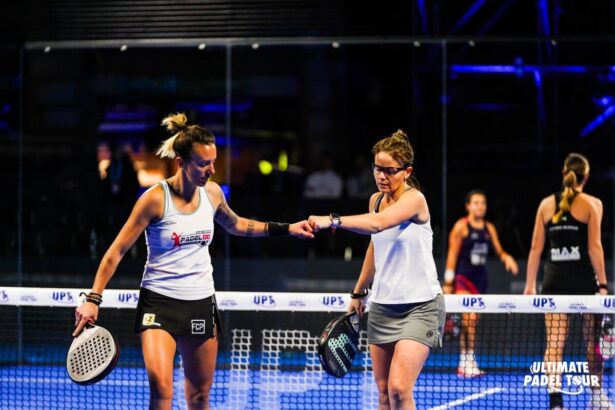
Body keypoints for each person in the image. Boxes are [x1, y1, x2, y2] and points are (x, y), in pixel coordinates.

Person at [73, 113, 314, 410]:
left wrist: (287, 228)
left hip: (200, 302)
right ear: (181, 163)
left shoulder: (212, 194)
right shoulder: (154, 200)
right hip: (158, 302)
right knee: (161, 388)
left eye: (213, 162)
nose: (211, 170)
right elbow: (116, 251)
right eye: (203, 164)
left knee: (199, 397)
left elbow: (238, 225)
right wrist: (93, 299)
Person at [308, 130, 444, 410]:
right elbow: (375, 246)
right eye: (377, 168)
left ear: (407, 172)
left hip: (421, 307)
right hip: (382, 307)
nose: (382, 176)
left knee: (399, 390)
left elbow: (378, 224)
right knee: (383, 394)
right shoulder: (376, 200)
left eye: (390, 170)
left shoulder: (415, 200)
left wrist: (332, 220)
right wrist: (358, 293)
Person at [523, 153, 613, 410]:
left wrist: (530, 285)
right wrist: (603, 286)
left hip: (554, 283)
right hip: (585, 284)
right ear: (586, 176)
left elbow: (535, 248)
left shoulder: (545, 205)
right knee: (592, 344)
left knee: (554, 344)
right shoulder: (593, 204)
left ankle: (556, 404)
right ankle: (597, 397)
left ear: (564, 173)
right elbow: (595, 248)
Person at [442, 190, 519, 377]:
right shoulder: (461, 227)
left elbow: (499, 251)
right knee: (469, 320)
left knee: (472, 323)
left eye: (483, 203)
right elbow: (452, 255)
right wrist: (448, 283)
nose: (480, 206)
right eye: (476, 203)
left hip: (480, 282)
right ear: (468, 206)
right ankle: (466, 361)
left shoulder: (489, 228)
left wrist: (507, 258)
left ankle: (467, 361)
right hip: (462, 280)